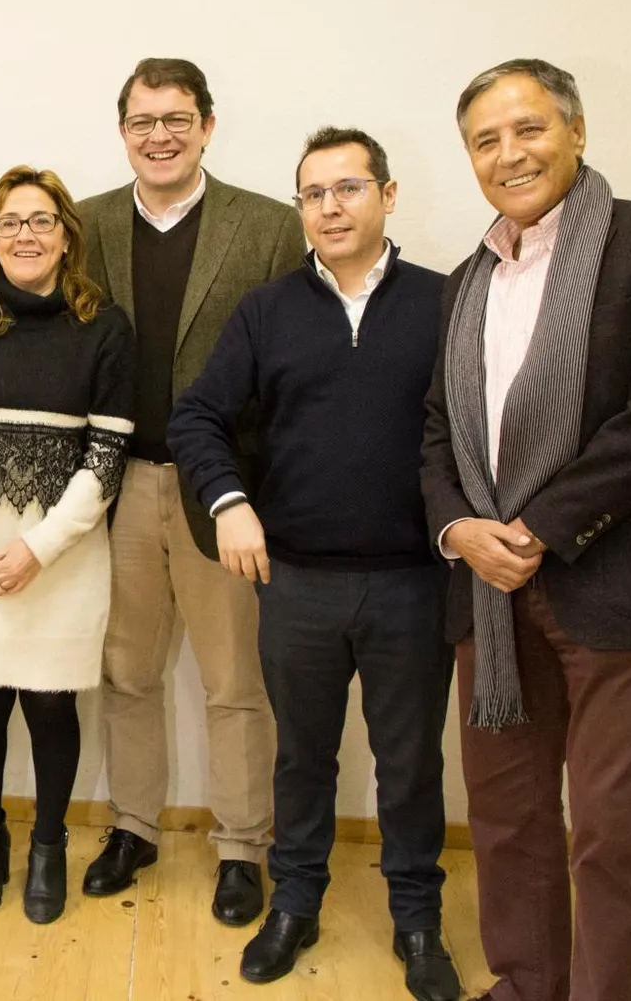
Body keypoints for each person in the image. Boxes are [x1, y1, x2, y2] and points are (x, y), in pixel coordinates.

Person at [422, 59, 631, 1001]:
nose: (509, 153)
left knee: (609, 831)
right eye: (486, 139)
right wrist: (460, 532)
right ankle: (525, 985)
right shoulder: (468, 280)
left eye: (529, 128)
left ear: (577, 130)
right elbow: (438, 430)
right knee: (508, 819)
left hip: (627, 590)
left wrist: (537, 527)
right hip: (492, 596)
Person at [170, 128, 460, 999]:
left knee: (410, 762)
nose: (330, 207)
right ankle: (294, 902)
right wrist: (230, 503)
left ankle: (418, 921)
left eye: (348, 188)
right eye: (313, 193)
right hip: (294, 580)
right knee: (302, 756)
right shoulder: (267, 311)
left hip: (415, 578)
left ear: (387, 195)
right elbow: (198, 419)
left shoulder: (448, 303)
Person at [75, 57, 306, 923]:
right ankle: (133, 826)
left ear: (208, 125)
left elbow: (290, 364)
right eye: (143, 121)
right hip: (120, 484)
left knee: (234, 680)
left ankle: (243, 845)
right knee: (127, 670)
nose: (160, 134)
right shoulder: (86, 223)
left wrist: (262, 491)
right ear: (123, 131)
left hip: (226, 492)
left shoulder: (271, 227)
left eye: (177, 118)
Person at [0, 166, 134, 925]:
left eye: (41, 220)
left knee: (48, 706)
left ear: (67, 235)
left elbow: (105, 459)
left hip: (63, 556)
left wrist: (38, 548)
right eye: (10, 223)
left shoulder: (105, 327)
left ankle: (46, 847)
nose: (26, 235)